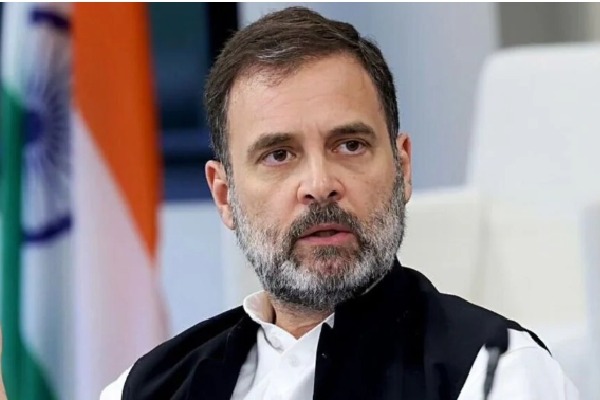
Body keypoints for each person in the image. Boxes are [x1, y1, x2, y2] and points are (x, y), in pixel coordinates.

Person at [102, 6, 578, 400]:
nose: (319, 184)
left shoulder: (497, 375)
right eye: (279, 154)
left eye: (349, 145)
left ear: (402, 168)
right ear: (224, 196)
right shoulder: (143, 388)